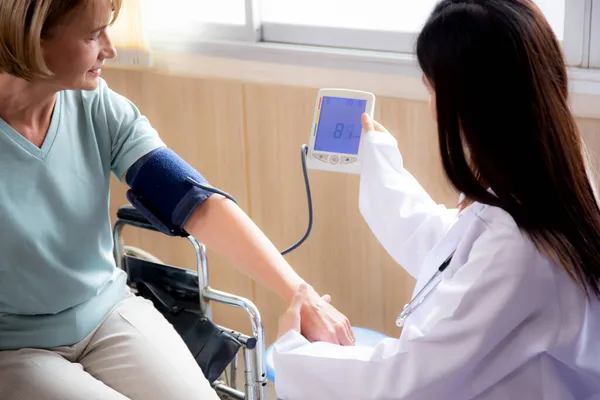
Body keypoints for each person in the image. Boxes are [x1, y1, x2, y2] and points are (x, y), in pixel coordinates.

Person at [0, 0, 354, 399]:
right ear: (33, 38)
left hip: (107, 313)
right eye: (92, 35)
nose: (110, 48)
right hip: (16, 346)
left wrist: (299, 292)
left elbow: (193, 200)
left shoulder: (97, 105)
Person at [273, 0, 600, 398]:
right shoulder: (549, 175)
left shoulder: (523, 248)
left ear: (474, 104)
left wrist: (293, 352)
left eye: (434, 92)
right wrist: (381, 167)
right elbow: (451, 252)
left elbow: (409, 382)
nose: (432, 111)